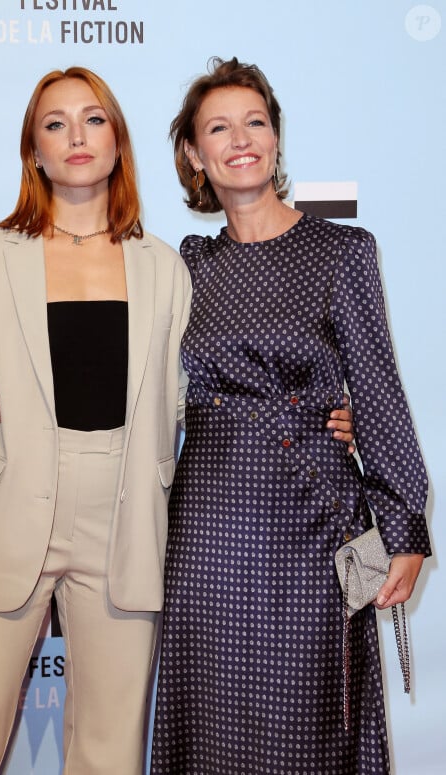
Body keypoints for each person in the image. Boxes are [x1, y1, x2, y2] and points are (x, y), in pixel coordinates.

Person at [0, 66, 193, 775]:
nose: (76, 136)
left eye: (93, 119)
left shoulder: (167, 268)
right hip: (3, 511)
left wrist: (320, 413)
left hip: (125, 518)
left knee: (110, 751)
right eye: (55, 123)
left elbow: (193, 399)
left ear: (119, 141)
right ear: (33, 150)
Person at [150, 57, 431, 775]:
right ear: (193, 152)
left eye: (256, 122)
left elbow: (377, 387)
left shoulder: (342, 251)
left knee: (313, 721)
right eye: (219, 127)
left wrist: (402, 524)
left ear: (276, 137)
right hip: (207, 527)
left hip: (313, 524)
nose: (241, 139)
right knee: (210, 724)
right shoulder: (188, 263)